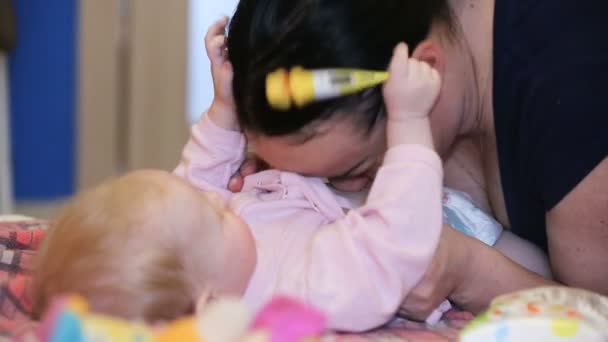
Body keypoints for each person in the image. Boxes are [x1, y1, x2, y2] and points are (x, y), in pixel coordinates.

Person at [31, 20, 549, 331]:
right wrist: (409, 126)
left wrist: (225, 107)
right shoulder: (300, 291)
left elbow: (197, 177)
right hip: (441, 223)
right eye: (213, 216)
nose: (218, 196)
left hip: (400, 195)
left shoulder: (209, 251)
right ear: (210, 303)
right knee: (553, 285)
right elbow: (392, 247)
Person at [225, 0, 608, 319]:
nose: (349, 191)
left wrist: (469, 273)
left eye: (355, 171)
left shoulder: (573, 90)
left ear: (423, 72)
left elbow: (599, 315)